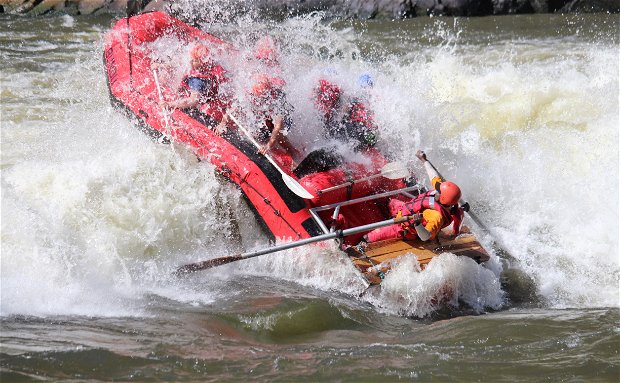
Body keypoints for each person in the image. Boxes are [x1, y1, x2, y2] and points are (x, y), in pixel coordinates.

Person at [358, 150, 464, 245]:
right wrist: (424, 160)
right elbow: (434, 176)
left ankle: (362, 243)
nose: (436, 189)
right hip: (406, 210)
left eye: (439, 191)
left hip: (404, 228)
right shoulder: (443, 194)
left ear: (444, 199)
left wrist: (417, 224)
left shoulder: (436, 217)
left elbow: (425, 237)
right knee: (391, 202)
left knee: (367, 238)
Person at [159, 43, 229, 127]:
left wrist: (170, 104)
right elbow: (180, 62)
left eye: (194, 60)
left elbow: (193, 101)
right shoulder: (208, 63)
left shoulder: (198, 81)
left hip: (207, 104)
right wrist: (160, 65)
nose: (190, 62)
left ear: (202, 62)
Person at [312, 74, 379, 152]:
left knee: (336, 131)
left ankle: (340, 151)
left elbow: (345, 110)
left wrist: (340, 122)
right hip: (370, 134)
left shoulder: (355, 93)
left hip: (357, 129)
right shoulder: (376, 96)